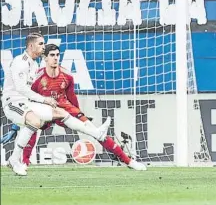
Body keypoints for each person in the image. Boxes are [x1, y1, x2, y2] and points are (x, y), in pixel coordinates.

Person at [16, 44, 146, 171]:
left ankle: (129, 162)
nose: (55, 58)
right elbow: (30, 99)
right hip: (45, 110)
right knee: (32, 129)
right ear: (45, 58)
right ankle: (24, 164)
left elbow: (71, 98)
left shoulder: (67, 76)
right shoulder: (37, 78)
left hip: (64, 109)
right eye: (52, 55)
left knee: (97, 133)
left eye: (57, 55)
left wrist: (79, 115)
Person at [2, 33, 111, 176]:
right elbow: (21, 89)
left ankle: (97, 133)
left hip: (26, 103)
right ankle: (15, 160)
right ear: (31, 46)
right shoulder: (19, 62)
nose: (43, 46)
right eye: (41, 44)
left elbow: (28, 91)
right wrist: (44, 99)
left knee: (60, 112)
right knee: (34, 121)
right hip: (12, 102)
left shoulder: (34, 64)